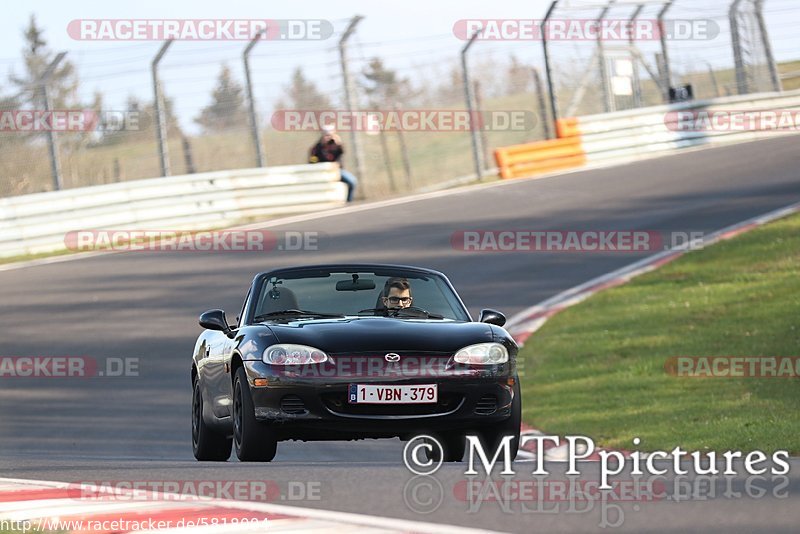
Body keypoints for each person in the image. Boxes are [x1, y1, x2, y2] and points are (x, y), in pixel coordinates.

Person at [308, 126, 357, 202]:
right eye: (326, 135)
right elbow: (312, 161)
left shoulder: (336, 145)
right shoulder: (317, 148)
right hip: (323, 173)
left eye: (330, 136)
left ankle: (349, 201)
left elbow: (342, 152)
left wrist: (338, 143)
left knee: (352, 181)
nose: (328, 138)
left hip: (336, 171)